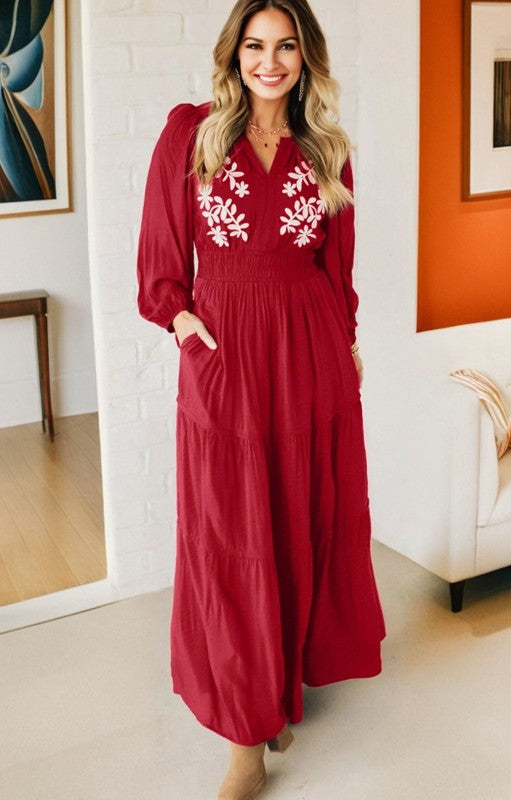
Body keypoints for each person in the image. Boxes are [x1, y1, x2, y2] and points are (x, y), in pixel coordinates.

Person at [136, 1, 386, 798]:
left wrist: (344, 345)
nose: (268, 61)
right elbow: (160, 255)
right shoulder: (190, 132)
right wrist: (179, 320)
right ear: (233, 52)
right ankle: (246, 734)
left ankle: (281, 689)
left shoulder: (327, 150)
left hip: (310, 352)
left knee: (296, 519)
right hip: (227, 353)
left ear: (305, 56)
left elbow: (336, 269)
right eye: (254, 45)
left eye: (285, 46)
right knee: (231, 530)